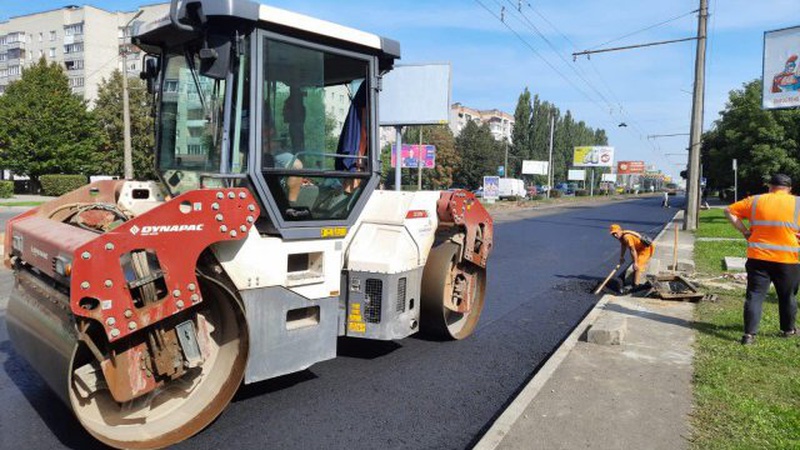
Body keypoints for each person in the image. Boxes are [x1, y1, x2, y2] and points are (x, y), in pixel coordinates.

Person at [725, 173, 799, 345]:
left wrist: (745, 231)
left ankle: (749, 336)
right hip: (787, 259)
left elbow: (729, 211)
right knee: (787, 296)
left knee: (755, 295)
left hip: (758, 257)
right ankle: (788, 330)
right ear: (789, 189)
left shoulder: (756, 200)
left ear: (770, 187)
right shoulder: (797, 203)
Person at [610, 224, 655, 290]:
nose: (615, 235)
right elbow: (623, 245)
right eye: (613, 234)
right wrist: (621, 257)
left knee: (637, 267)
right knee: (635, 266)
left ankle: (635, 286)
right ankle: (635, 284)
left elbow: (632, 250)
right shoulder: (621, 237)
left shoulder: (626, 237)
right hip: (639, 249)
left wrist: (635, 262)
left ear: (620, 230)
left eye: (616, 233)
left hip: (646, 249)